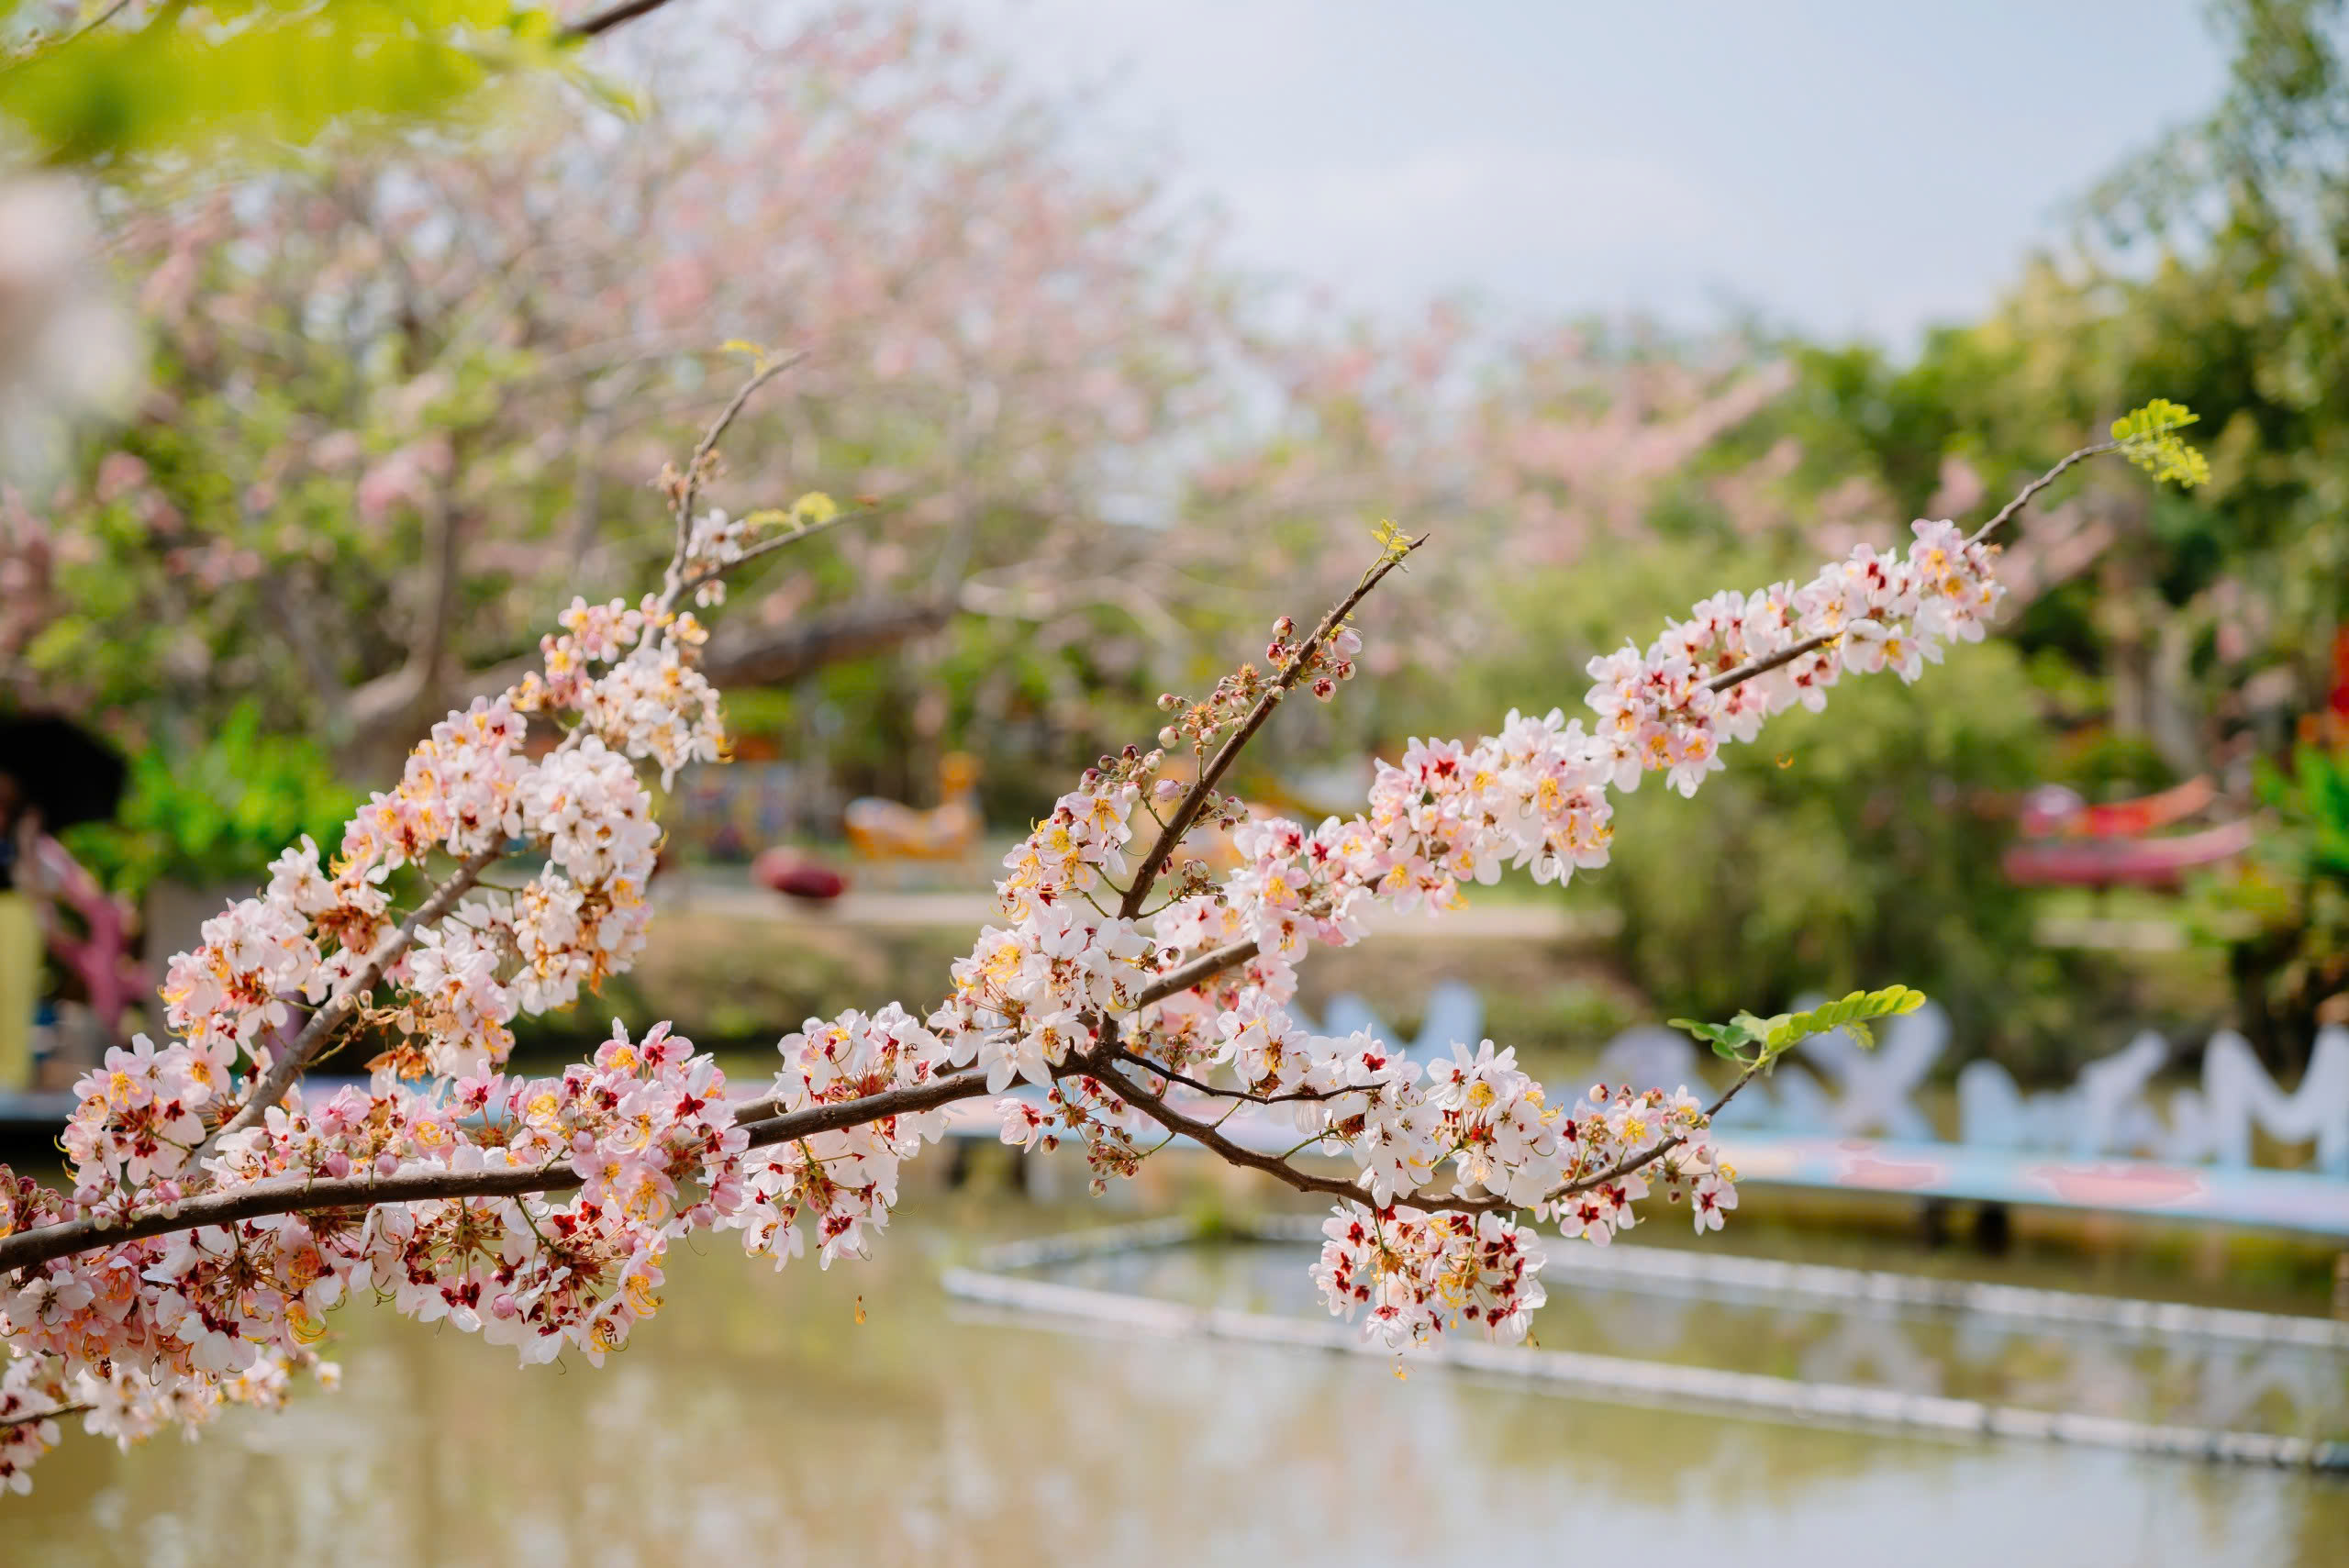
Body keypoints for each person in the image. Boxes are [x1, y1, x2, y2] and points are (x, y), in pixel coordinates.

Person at [0, 772, 39, 1092]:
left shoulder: (21, 828)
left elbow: (33, 884)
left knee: (13, 994)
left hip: (14, 914)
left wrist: (27, 839)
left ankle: (10, 1079)